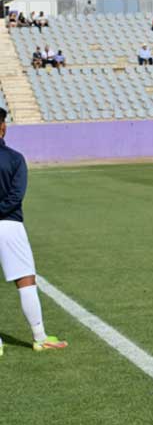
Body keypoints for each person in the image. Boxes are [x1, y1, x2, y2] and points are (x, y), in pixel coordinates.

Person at [0, 107, 69, 357]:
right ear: (3, 127)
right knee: (25, 280)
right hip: (10, 224)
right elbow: (16, 197)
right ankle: (40, 337)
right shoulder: (16, 158)